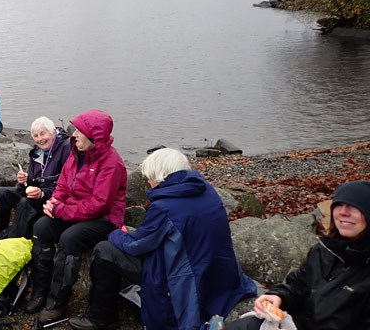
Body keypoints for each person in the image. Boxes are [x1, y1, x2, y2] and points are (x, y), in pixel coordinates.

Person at [69, 147, 256, 330]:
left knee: (104, 250)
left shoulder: (164, 207)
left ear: (162, 176)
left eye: (150, 177)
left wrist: (115, 232)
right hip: (216, 270)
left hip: (181, 278)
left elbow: (137, 245)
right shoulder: (207, 191)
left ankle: (101, 317)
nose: (148, 181)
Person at [25, 109, 127, 326]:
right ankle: (40, 292)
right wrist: (54, 203)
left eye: (80, 132)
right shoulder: (76, 153)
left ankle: (57, 303)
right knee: (41, 227)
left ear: (93, 137)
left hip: (104, 218)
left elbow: (99, 205)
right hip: (75, 209)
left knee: (70, 238)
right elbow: (63, 184)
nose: (74, 135)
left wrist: (61, 210)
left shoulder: (111, 162)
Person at [224, 180, 370, 330]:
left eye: (354, 207)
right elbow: (299, 285)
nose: (343, 212)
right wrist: (278, 296)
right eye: (338, 205)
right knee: (246, 325)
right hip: (296, 324)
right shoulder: (325, 250)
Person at [0, 116, 71, 249]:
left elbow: (66, 184)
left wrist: (42, 193)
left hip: (53, 199)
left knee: (25, 203)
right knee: (2, 193)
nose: (39, 139)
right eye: (36, 136)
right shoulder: (37, 152)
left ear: (54, 132)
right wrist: (24, 181)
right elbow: (28, 187)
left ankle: (10, 247)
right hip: (37, 194)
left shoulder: (65, 149)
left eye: (43, 134)